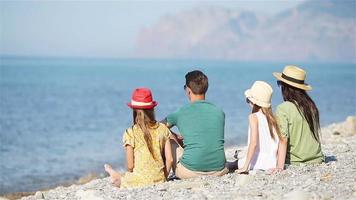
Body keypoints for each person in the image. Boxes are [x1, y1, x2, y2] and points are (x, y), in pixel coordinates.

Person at [163, 70, 228, 179]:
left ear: (188, 90)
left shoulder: (181, 112)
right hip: (219, 170)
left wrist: (173, 135)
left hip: (189, 172)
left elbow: (156, 128)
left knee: (168, 139)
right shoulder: (219, 112)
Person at [104, 88, 173, 188]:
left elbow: (130, 166)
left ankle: (113, 173)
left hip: (139, 181)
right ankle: (114, 174)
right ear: (152, 109)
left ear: (134, 110)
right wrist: (164, 177)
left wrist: (134, 175)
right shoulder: (163, 129)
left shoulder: (130, 132)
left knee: (120, 181)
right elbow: (170, 159)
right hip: (159, 179)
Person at [272, 65, 324, 173]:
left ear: (285, 87)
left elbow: (283, 139)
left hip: (296, 161)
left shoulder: (283, 108)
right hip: (317, 158)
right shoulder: (311, 106)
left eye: (279, 83)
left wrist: (279, 167)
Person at [236, 81, 281, 174]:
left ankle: (233, 164)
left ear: (253, 102)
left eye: (248, 100)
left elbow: (254, 143)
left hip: (259, 162)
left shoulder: (253, 117)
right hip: (272, 162)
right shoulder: (273, 118)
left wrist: (245, 166)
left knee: (239, 162)